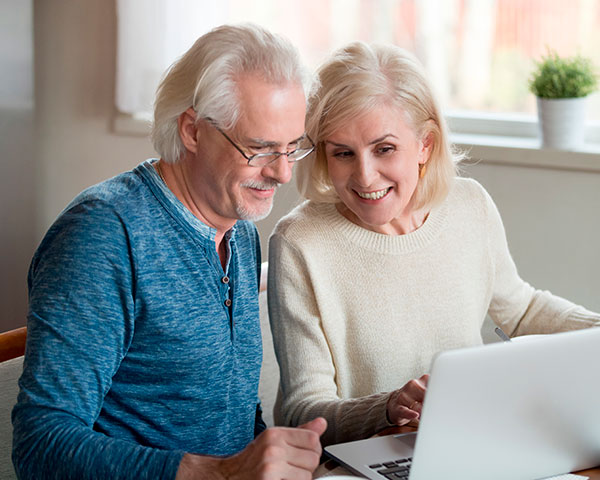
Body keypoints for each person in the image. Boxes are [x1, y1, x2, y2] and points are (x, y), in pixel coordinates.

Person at [12, 24, 326, 480]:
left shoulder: (238, 231)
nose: (281, 174)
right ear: (193, 130)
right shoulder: (104, 235)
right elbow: (40, 444)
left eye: (291, 149)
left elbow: (227, 416)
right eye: (259, 149)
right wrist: (216, 474)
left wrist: (270, 457)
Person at [267, 41, 600, 447]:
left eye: (384, 149)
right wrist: (387, 407)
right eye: (342, 153)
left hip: (471, 441)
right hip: (356, 464)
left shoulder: (468, 204)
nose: (365, 176)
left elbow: (523, 309)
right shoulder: (300, 242)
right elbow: (304, 410)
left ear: (425, 144)